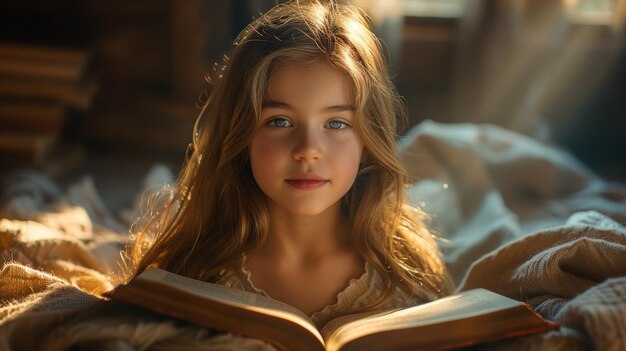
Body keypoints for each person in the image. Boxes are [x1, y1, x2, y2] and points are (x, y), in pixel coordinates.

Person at [126, 0, 452, 328]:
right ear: (241, 136)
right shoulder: (198, 270)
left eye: (337, 123)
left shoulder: (404, 279)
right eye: (280, 121)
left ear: (368, 141)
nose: (308, 150)